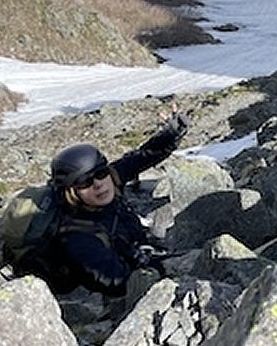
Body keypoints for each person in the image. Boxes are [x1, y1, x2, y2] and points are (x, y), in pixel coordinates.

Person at [41, 110, 189, 296]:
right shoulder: (77, 237)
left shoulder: (109, 181)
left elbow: (140, 157)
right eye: (85, 182)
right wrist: (163, 267)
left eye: (101, 174)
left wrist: (171, 134)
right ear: (72, 192)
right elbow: (117, 282)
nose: (98, 184)